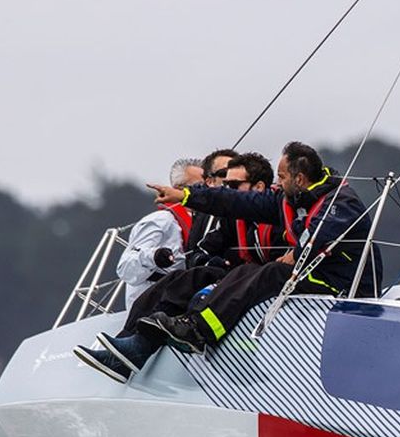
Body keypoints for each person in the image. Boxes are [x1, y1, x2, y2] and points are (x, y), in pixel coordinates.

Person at [92, 142, 381, 377]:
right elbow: (234, 204)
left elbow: (317, 240)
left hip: (336, 283)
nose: (276, 185)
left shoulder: (341, 202)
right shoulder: (288, 200)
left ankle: (199, 330)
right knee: (190, 277)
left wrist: (294, 252)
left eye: (280, 178)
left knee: (261, 273)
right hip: (300, 273)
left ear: (300, 178)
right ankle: (130, 344)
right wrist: (185, 196)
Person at [73, 152, 280, 383]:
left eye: (232, 183)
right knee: (184, 278)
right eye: (222, 179)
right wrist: (208, 262)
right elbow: (203, 250)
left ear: (260, 186)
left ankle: (193, 333)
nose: (226, 188)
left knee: (241, 274)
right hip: (234, 278)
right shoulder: (224, 216)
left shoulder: (276, 207)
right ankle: (128, 347)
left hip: (262, 281)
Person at [115, 157, 203, 309]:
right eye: (199, 187)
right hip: (152, 305)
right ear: (177, 189)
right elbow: (125, 268)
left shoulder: (207, 222)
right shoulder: (161, 221)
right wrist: (155, 257)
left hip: (189, 302)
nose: (205, 192)